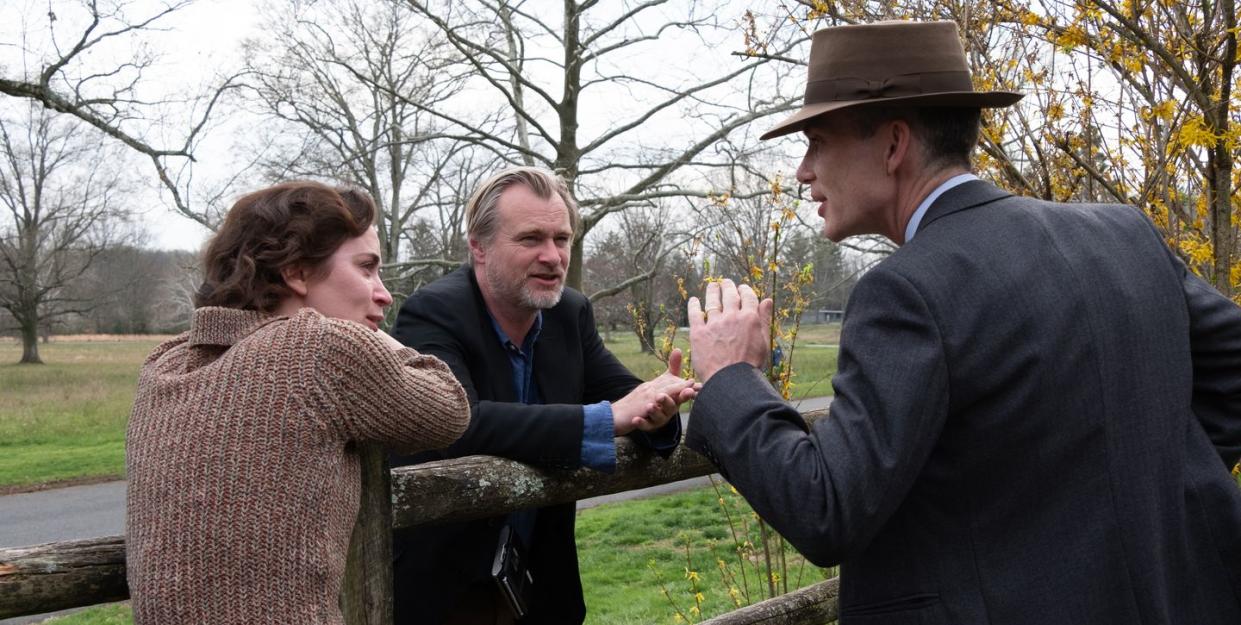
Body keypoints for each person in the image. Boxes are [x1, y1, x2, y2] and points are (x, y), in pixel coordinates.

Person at [685, 21, 1241, 624]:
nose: (803, 171)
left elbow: (827, 508)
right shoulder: (1124, 234)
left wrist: (730, 377)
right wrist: (1144, 494)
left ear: (894, 144)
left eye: (817, 140)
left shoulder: (906, 291)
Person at [125, 181, 470, 625]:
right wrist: (373, 336)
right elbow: (448, 408)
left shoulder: (165, 364)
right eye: (366, 269)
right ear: (297, 272)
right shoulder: (314, 349)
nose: (383, 293)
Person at [390, 166, 697, 625]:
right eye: (531, 239)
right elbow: (461, 422)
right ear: (479, 246)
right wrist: (607, 419)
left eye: (562, 238)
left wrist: (659, 409)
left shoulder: (569, 314)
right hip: (447, 586)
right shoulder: (433, 313)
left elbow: (629, 396)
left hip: (537, 586)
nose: (553, 257)